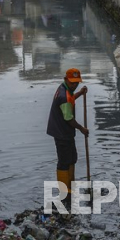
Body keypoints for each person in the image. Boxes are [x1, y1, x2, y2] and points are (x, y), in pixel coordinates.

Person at [46, 68, 89, 207]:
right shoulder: (63, 96)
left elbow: (70, 100)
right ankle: (65, 193)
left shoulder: (65, 90)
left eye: (76, 83)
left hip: (65, 132)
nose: (74, 85)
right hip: (62, 132)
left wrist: (79, 93)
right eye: (72, 83)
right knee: (64, 161)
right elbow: (69, 118)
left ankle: (71, 187)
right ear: (66, 80)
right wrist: (82, 128)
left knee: (72, 158)